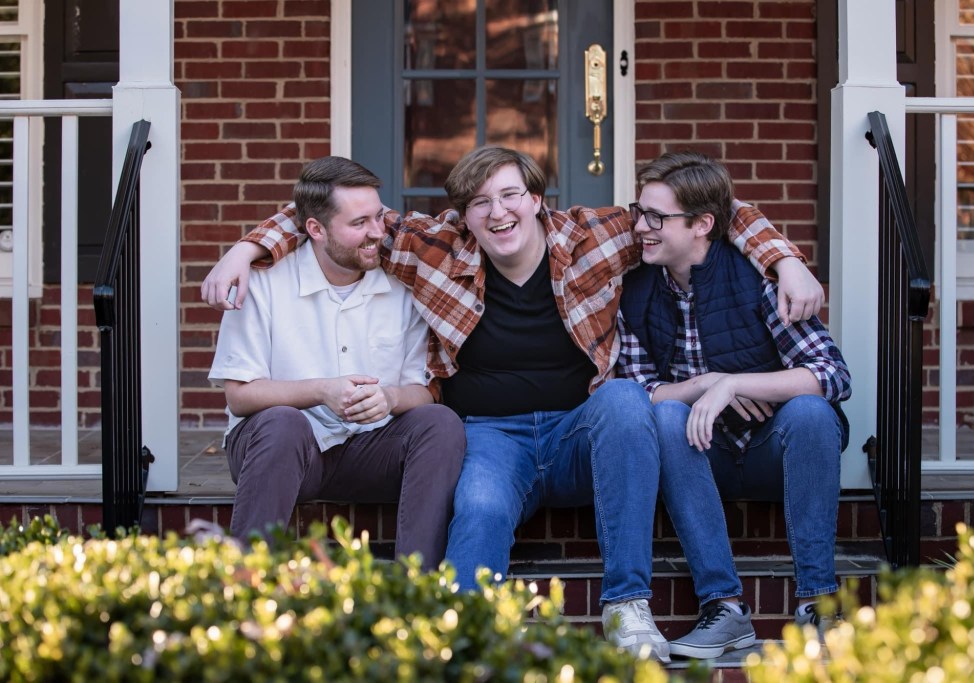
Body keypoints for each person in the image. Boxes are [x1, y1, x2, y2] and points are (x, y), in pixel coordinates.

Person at [201, 146, 823, 662]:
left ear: (537, 199)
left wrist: (786, 261)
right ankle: (462, 635)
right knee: (479, 507)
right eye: (479, 202)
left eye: (509, 195)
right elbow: (328, 215)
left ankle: (627, 607)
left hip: (579, 429)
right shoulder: (433, 245)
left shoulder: (596, 236)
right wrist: (244, 250)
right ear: (463, 216)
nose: (497, 213)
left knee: (625, 400)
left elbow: (714, 209)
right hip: (490, 436)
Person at [616, 151, 852, 659]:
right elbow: (640, 389)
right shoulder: (634, 292)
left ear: (702, 225)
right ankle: (723, 608)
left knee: (812, 413)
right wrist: (706, 384)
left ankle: (819, 604)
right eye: (640, 212)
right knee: (665, 414)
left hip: (772, 451)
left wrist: (735, 384)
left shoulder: (757, 278)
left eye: (655, 218)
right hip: (700, 458)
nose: (640, 228)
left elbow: (832, 374)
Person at [208, 156, 466, 570]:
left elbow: (422, 391)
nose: (377, 232)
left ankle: (417, 589)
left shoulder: (402, 286)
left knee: (441, 423)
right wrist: (322, 391)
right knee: (283, 422)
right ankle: (246, 588)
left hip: (371, 450)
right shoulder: (263, 283)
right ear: (315, 229)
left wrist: (389, 398)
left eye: (378, 217)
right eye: (359, 223)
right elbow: (239, 396)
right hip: (284, 450)